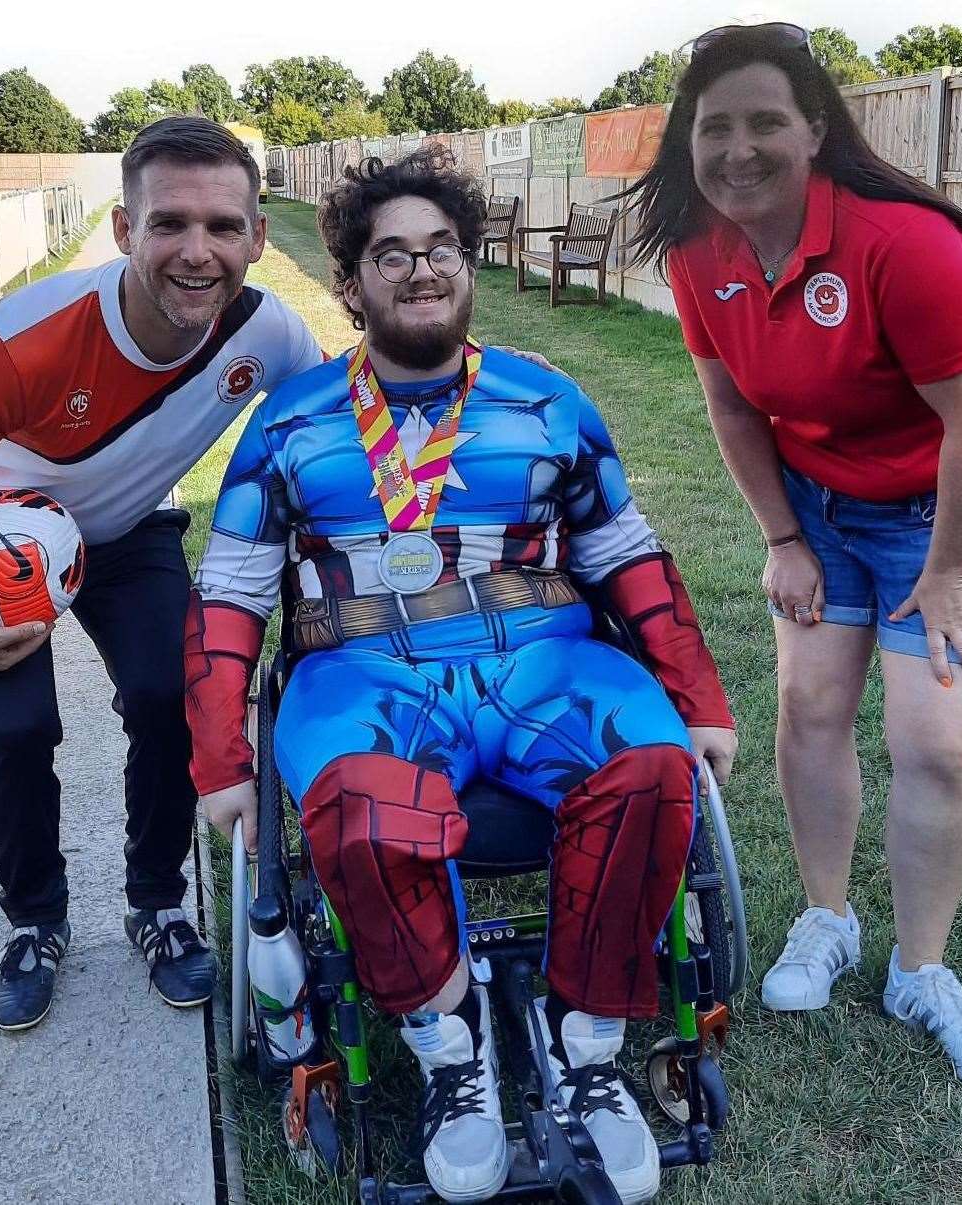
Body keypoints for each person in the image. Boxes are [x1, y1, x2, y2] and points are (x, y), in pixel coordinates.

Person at [184, 148, 736, 1205]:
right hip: (362, 668)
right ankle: (452, 1059)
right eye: (391, 255)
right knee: (358, 804)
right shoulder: (291, 422)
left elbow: (628, 557)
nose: (421, 270)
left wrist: (699, 699)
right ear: (349, 285)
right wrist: (221, 760)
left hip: (545, 661)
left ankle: (587, 1048)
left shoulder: (549, 401)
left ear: (465, 264)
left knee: (653, 767)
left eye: (439, 249)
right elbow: (229, 600)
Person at [625, 22, 962, 1087]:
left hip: (949, 505)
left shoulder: (903, 242)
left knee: (935, 742)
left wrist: (943, 571)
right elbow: (728, 400)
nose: (738, 149)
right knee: (810, 706)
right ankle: (827, 917)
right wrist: (781, 537)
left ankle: (920, 967)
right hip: (818, 503)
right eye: (715, 127)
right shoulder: (697, 251)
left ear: (814, 126)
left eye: (766, 120)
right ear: (689, 140)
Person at [0, 117, 325, 1031]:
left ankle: (158, 904)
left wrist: (479, 374)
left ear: (259, 238)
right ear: (122, 229)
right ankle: (33, 921)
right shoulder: (29, 341)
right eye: (168, 224)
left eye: (224, 227)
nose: (198, 251)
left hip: (128, 528)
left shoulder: (268, 330)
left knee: (166, 693)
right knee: (20, 726)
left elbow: (344, 411)